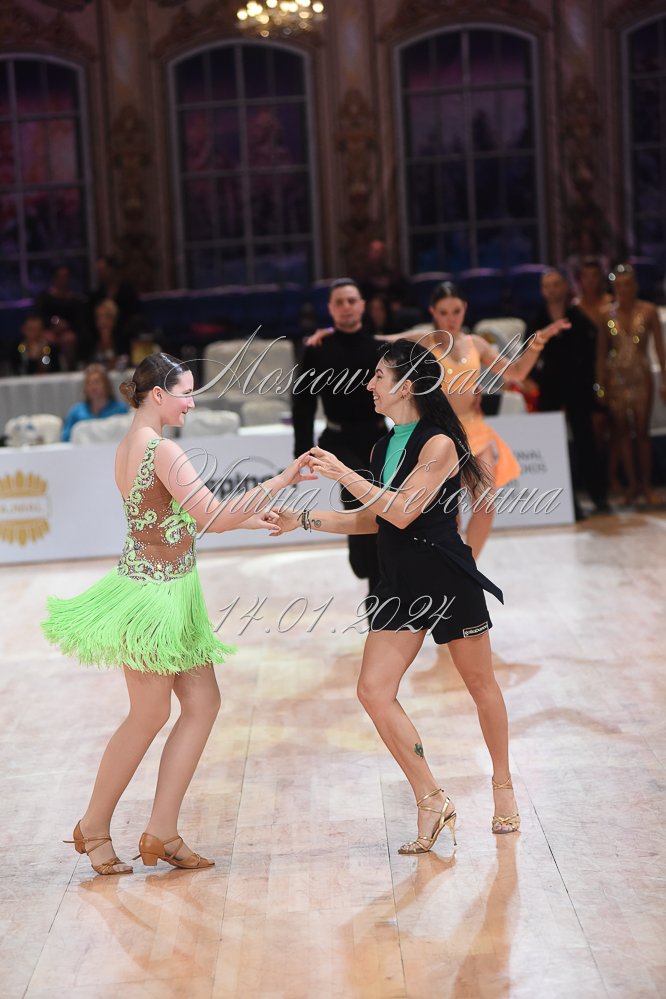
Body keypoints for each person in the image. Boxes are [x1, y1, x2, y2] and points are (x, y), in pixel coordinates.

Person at [43, 352, 313, 876]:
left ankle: (162, 831)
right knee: (148, 715)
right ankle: (94, 826)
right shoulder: (162, 449)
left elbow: (176, 519)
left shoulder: (129, 446)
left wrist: (250, 518)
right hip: (154, 600)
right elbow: (211, 515)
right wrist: (282, 480)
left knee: (202, 702)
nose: (192, 403)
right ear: (159, 395)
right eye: (186, 393)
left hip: (166, 591)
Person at [274, 339, 519, 853]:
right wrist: (301, 519)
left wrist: (343, 474)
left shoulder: (439, 444)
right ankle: (431, 797)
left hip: (445, 577)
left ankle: (503, 787)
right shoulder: (382, 447)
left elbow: (404, 512)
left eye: (378, 377)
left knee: (480, 685)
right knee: (373, 690)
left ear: (406, 386)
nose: (369, 385)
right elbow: (374, 518)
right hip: (398, 581)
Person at [306, 282, 568, 558]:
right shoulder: (425, 340)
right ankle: (453, 564)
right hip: (440, 436)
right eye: (443, 312)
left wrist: (538, 341)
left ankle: (469, 564)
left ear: (465, 309)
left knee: (485, 504)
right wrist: (331, 332)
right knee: (448, 514)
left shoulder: (476, 343)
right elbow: (372, 341)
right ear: (433, 312)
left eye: (456, 311)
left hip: (476, 431)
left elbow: (516, 373)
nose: (451, 318)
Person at [292, 278, 385, 591]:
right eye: (340, 302)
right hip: (338, 442)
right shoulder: (318, 349)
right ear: (330, 308)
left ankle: (378, 582)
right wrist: (302, 451)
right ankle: (367, 569)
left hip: (378, 440)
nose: (346, 307)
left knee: (382, 505)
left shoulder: (379, 346)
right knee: (359, 492)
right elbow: (303, 404)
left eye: (352, 301)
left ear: (362, 305)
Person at [526, 268, 610, 516]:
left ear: (565, 287)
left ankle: (598, 495)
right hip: (549, 390)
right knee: (552, 445)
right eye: (547, 285)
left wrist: (592, 385)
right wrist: (534, 382)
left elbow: (592, 354)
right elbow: (526, 357)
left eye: (556, 284)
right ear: (543, 291)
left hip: (577, 389)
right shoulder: (536, 320)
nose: (552, 289)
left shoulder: (578, 318)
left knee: (586, 442)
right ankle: (563, 502)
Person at [598, 263, 666, 505]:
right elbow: (601, 353)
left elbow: (659, 348)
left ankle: (646, 485)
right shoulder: (606, 314)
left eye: (627, 285)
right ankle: (632, 485)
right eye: (619, 286)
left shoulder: (648, 311)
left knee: (642, 431)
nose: (623, 290)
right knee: (622, 432)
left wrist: (664, 380)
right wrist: (601, 386)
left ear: (635, 285)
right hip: (616, 377)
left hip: (641, 375)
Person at [89, 254, 142, 356]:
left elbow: (135, 313)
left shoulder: (127, 292)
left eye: (102, 270)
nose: (100, 274)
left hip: (123, 329)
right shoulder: (97, 295)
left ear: (112, 270)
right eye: (98, 271)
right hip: (100, 332)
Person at [61, 364, 129, 442]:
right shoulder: (76, 411)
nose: (93, 387)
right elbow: (66, 438)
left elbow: (127, 436)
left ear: (106, 385)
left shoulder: (120, 409)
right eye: (89, 383)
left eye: (97, 382)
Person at [89, 299, 121, 368]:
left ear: (115, 319)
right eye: (99, 317)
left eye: (107, 317)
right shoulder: (89, 340)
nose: (102, 321)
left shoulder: (123, 341)